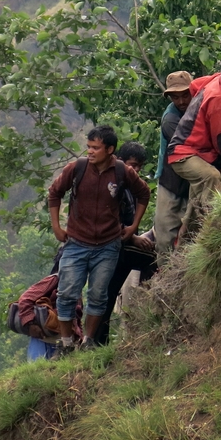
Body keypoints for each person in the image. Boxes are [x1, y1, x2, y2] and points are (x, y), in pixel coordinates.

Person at [48, 125, 150, 355]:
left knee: (98, 295)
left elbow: (144, 193)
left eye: (96, 148)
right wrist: (57, 227)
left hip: (108, 246)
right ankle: (66, 344)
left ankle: (89, 342)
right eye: (89, 147)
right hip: (76, 243)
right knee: (66, 294)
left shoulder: (122, 171)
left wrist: (133, 226)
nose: (90, 152)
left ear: (110, 149)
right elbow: (54, 193)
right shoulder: (78, 168)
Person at [167, 51, 221, 229]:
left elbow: (194, 86)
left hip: (200, 152)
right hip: (185, 152)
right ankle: (219, 231)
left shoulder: (220, 81)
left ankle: (185, 247)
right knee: (211, 177)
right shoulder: (218, 98)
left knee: (194, 207)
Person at [94, 143, 158, 346]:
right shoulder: (114, 186)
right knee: (106, 293)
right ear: (121, 162)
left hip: (123, 247)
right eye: (133, 165)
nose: (136, 170)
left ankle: (100, 340)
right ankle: (96, 341)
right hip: (112, 248)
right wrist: (133, 238)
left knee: (109, 292)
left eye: (140, 166)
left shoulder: (130, 185)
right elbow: (108, 220)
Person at [153, 71, 194, 256]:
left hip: (193, 182)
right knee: (165, 235)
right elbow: (187, 146)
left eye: (185, 95)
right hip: (171, 182)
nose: (181, 101)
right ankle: (165, 275)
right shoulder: (169, 118)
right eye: (175, 97)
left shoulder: (199, 109)